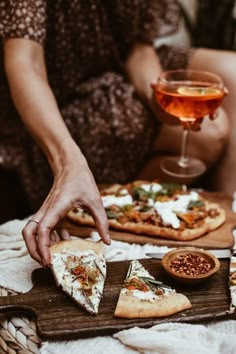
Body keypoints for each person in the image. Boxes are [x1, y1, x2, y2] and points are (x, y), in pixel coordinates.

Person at [0, 0, 234, 267]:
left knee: (233, 74)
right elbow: (24, 61)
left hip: (114, 68)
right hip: (56, 96)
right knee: (209, 133)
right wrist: (68, 164)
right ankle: (123, 213)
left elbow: (139, 51)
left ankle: (228, 246)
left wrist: (162, 105)